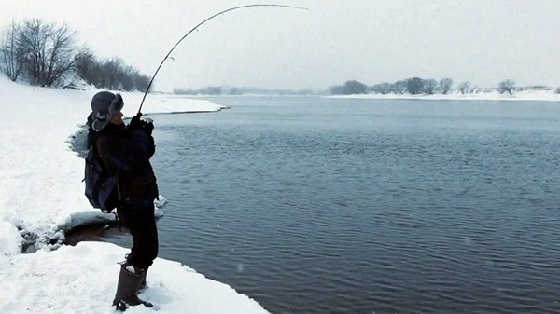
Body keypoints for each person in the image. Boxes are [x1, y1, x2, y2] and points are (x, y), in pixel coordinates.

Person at [87, 91, 159, 311]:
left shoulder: (115, 131)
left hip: (140, 197)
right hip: (131, 200)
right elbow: (134, 159)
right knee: (146, 247)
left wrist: (138, 130)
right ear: (105, 115)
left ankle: (136, 283)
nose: (122, 115)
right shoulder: (106, 139)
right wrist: (140, 134)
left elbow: (147, 151)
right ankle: (125, 297)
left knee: (145, 246)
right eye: (117, 112)